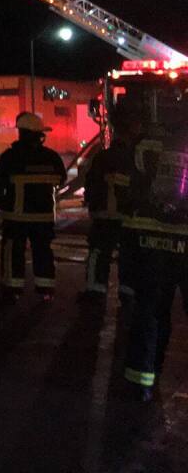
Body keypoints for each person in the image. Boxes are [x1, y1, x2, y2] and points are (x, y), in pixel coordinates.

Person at [122, 119, 187, 401]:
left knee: (150, 310)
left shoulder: (147, 145)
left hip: (151, 239)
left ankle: (142, 381)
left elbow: (132, 191)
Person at [0, 112, 67, 304]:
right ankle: (46, 289)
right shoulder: (52, 157)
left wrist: (2, 203)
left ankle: (12, 290)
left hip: (16, 216)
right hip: (44, 217)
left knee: (13, 252)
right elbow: (62, 180)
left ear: (21, 133)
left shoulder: (11, 157)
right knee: (43, 252)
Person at [78, 105, 140, 304]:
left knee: (99, 253)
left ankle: (95, 291)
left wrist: (92, 205)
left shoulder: (102, 157)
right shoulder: (135, 159)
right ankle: (128, 293)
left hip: (104, 216)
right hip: (129, 217)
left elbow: (91, 184)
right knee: (129, 255)